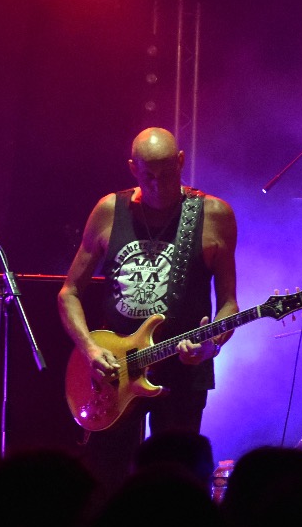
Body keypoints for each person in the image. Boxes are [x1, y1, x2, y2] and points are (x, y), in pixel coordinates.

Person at [58, 126, 238, 494]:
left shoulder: (213, 214)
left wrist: (211, 345)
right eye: (147, 176)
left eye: (167, 175)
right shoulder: (109, 210)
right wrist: (90, 349)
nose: (158, 186)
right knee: (105, 483)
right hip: (115, 372)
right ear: (132, 169)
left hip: (182, 374)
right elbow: (69, 293)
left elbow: (228, 304)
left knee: (176, 485)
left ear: (181, 162)